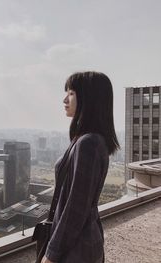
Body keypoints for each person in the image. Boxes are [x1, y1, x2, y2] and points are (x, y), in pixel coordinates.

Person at [40, 71, 120, 263]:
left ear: (89, 98)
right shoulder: (88, 140)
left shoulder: (89, 143)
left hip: (77, 249)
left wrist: (51, 254)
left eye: (71, 93)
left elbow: (76, 207)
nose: (64, 99)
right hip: (81, 244)